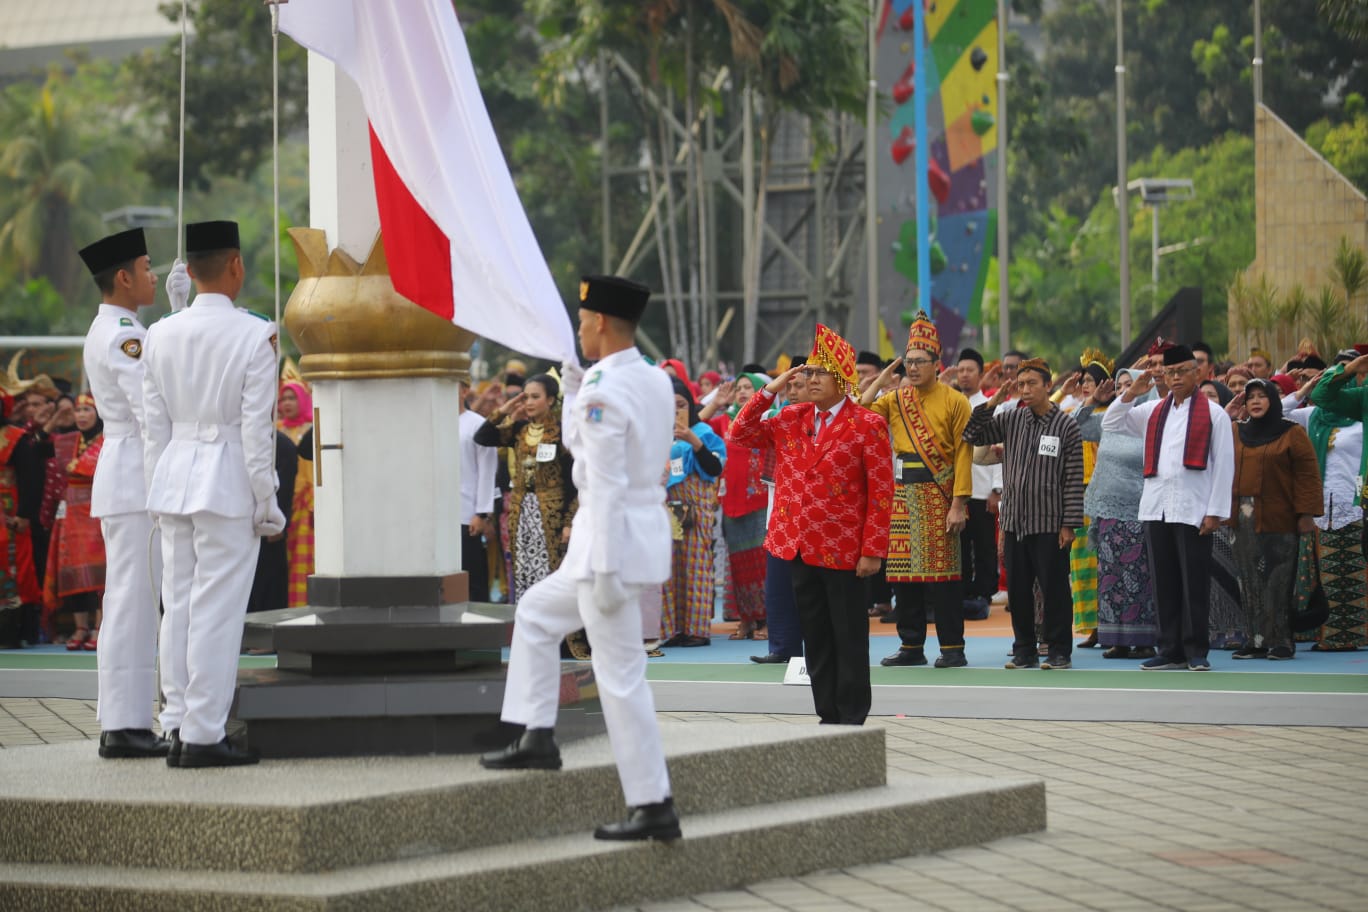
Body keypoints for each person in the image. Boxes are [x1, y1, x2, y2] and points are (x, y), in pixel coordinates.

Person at [481, 274, 680, 842]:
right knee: (538, 614)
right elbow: (581, 446)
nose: (580, 329)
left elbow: (608, 481)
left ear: (600, 324)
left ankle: (651, 802)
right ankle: (536, 734)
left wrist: (610, 568)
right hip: (623, 533)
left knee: (620, 678)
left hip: (606, 542)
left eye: (582, 322)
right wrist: (572, 377)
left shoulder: (603, 391)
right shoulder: (649, 381)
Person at [142, 220, 284, 768]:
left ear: (190, 270)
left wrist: (159, 487)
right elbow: (256, 434)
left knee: (178, 606)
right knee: (217, 611)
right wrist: (265, 499)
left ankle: (177, 719)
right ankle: (202, 734)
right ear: (235, 266)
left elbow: (155, 427)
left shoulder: (160, 333)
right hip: (225, 482)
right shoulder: (254, 334)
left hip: (175, 478)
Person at [729, 324, 894, 724]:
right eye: (807, 372)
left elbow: (882, 492)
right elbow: (740, 432)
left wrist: (873, 550)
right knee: (816, 635)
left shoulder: (866, 424)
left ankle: (852, 714)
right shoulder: (791, 417)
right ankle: (827, 713)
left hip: (844, 549)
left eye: (820, 372)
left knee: (848, 636)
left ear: (841, 378)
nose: (810, 379)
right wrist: (770, 388)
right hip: (797, 544)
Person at [77, 227, 172, 759]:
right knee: (133, 604)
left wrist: (173, 314)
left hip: (129, 471)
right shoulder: (122, 335)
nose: (153, 274)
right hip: (138, 474)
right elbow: (149, 412)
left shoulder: (121, 327)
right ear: (123, 277)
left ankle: (126, 720)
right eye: (146, 265)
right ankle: (125, 724)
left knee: (130, 601)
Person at [1101, 344, 1236, 672]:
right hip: (1156, 507)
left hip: (1193, 509)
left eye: (1182, 372)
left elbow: (1224, 466)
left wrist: (1215, 511)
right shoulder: (1153, 411)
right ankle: (1170, 648)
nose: (1175, 378)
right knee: (1164, 583)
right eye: (1170, 372)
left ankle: (1196, 651)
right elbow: (1111, 422)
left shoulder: (1214, 414)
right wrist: (1132, 391)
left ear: (1197, 373)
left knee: (1194, 583)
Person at [861, 311, 972, 669]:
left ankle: (952, 646)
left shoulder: (956, 401)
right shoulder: (896, 399)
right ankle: (911, 646)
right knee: (903, 574)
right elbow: (860, 410)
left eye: (919, 362)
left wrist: (959, 504)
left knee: (943, 576)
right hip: (903, 493)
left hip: (940, 492)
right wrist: (882, 377)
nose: (912, 368)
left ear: (937, 364)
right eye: (908, 362)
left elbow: (963, 456)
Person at [964, 358, 1085, 670]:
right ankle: (1024, 650)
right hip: (1015, 519)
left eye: (1033, 384)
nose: (1026, 390)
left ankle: (1059, 650)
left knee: (1054, 588)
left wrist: (1069, 524)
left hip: (1049, 521)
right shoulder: (1013, 419)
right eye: (1021, 384)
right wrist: (993, 401)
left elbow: (1073, 478)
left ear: (1048, 386)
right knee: (1018, 591)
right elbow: (973, 435)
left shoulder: (1066, 425)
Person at [1229, 379, 1323, 660]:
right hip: (1241, 519)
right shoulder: (1236, 431)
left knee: (1279, 580)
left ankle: (1281, 641)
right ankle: (1256, 640)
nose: (1256, 402)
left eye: (1262, 396)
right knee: (1248, 580)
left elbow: (1308, 475)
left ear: (1274, 400)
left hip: (1280, 517)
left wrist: (1306, 514)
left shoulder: (1291, 433)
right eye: (1251, 398)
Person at [1081, 369, 1157, 659]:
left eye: (1133, 384)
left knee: (1139, 576)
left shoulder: (1151, 422)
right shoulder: (1108, 421)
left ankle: (1145, 640)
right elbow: (1074, 426)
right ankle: (1118, 639)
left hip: (1139, 508)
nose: (1129, 390)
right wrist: (1092, 399)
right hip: (1108, 510)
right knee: (1110, 575)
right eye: (1122, 386)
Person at [1305, 350, 1368, 649]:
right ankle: (1338, 637)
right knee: (1333, 572)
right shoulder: (1360, 400)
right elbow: (1322, 394)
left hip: (1352, 502)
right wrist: (1348, 369)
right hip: (1347, 499)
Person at [660, 379, 726, 648]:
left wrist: (694, 442)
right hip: (664, 512)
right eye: (669, 405)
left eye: (681, 405)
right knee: (667, 570)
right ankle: (672, 629)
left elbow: (714, 468)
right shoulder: (655, 436)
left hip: (695, 513)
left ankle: (696, 630)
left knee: (696, 568)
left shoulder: (704, 432)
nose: (675, 411)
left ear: (691, 405)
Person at [40, 393, 106, 648]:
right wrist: (53, 419)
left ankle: (100, 628)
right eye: (77, 410)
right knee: (75, 575)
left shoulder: (109, 440)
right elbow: (36, 444)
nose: (81, 415)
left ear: (98, 413)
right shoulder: (67, 441)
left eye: (87, 410)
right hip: (71, 514)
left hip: (97, 509)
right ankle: (80, 627)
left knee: (100, 573)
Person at [1064, 351, 1115, 649]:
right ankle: (1092, 627)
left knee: (1103, 563)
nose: (1086, 386)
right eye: (1083, 381)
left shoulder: (1113, 415)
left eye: (1091, 381)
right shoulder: (1077, 413)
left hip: (1104, 495)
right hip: (1077, 496)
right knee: (1081, 566)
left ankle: (1110, 626)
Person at [954, 348, 999, 620]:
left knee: (983, 546)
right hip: (956, 489)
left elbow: (998, 452)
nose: (964, 375)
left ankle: (983, 593)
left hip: (982, 489)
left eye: (970, 370)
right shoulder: (951, 404)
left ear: (981, 375)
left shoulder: (991, 407)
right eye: (960, 370)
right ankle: (960, 595)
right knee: (958, 546)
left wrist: (997, 489)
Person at [458, 380, 498, 603]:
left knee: (472, 576)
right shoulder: (432, 421)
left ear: (464, 391)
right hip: (437, 513)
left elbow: (487, 472)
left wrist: (482, 512)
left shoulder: (477, 425)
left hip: (467, 513)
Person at [277, 374, 314, 609]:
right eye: (283, 399)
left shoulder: (311, 430)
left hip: (306, 506)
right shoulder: (275, 431)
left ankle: (302, 609)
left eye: (292, 398)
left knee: (305, 562)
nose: (287, 403)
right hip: (282, 504)